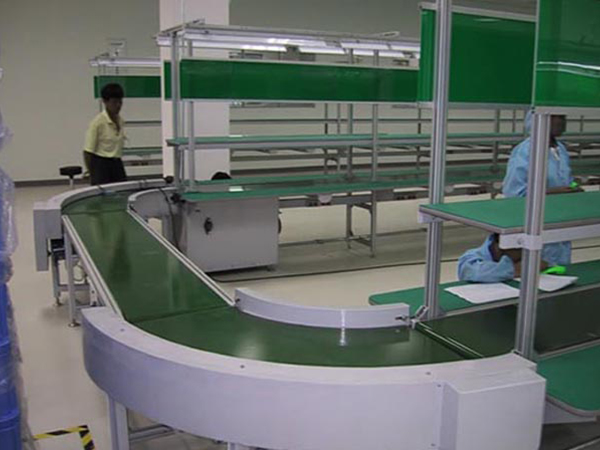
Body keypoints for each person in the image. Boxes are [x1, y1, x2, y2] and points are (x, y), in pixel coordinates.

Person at [458, 112, 580, 283]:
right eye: (555, 117)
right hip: (534, 221)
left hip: (556, 223)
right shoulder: (526, 151)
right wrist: (554, 192)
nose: (561, 121)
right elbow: (515, 194)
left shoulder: (561, 150)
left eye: (563, 117)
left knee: (558, 273)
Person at [83, 83, 127, 185]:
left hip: (117, 163)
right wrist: (91, 172)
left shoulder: (120, 120)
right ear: (105, 102)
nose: (118, 105)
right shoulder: (97, 123)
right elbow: (87, 152)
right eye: (114, 102)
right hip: (101, 165)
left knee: (123, 190)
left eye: (120, 102)